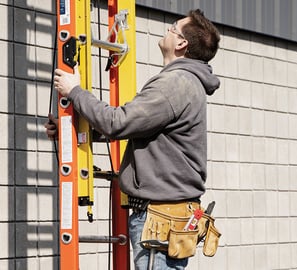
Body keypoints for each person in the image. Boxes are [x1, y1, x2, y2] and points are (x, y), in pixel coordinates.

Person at [46, 9, 220, 270]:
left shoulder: (174, 84)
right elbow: (137, 128)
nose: (168, 29)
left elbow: (118, 123)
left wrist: (75, 91)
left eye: (174, 27)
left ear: (182, 44)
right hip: (166, 217)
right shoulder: (185, 83)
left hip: (159, 219)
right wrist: (68, 130)